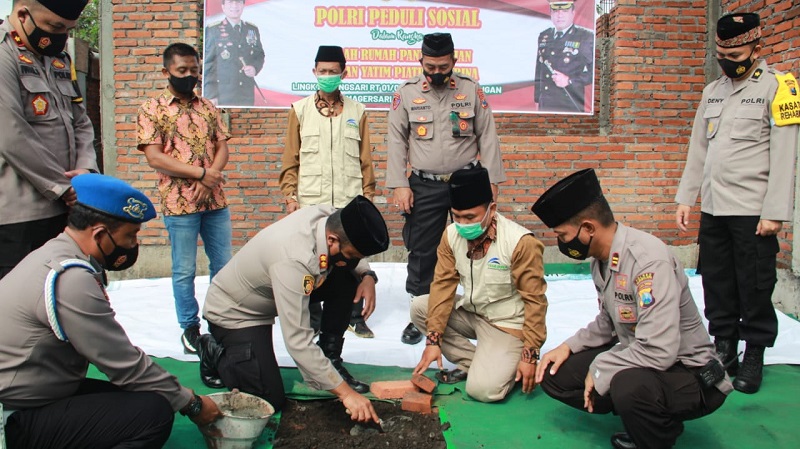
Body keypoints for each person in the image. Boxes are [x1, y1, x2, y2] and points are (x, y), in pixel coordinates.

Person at [0, 173, 221, 449]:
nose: (132, 246)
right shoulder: (70, 279)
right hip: (14, 416)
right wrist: (192, 403)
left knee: (145, 396)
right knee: (152, 415)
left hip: (37, 392)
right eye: (130, 236)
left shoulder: (54, 253)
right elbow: (123, 364)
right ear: (100, 234)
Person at [532, 169, 732, 449]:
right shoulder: (600, 258)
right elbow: (607, 322)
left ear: (588, 229)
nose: (562, 243)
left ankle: (657, 434)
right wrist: (568, 346)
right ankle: (646, 416)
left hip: (690, 372)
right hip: (643, 358)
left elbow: (659, 350)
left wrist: (601, 368)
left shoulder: (648, 262)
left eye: (563, 235)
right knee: (557, 375)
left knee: (627, 384)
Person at [674, 12, 799, 394]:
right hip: (714, 208)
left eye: (736, 52)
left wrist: (775, 212)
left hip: (753, 212)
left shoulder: (781, 87)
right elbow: (698, 149)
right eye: (721, 52)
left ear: (757, 47)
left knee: (755, 284)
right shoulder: (713, 91)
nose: (727, 59)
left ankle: (755, 353)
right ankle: (724, 346)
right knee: (716, 279)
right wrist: (686, 197)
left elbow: (785, 153)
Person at [198, 195, 389, 424]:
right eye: (352, 255)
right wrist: (347, 394)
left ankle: (330, 359)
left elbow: (350, 247)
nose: (353, 260)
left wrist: (367, 275)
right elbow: (297, 341)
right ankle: (212, 351)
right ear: (332, 241)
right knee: (268, 398)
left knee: (347, 276)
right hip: (237, 312)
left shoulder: (329, 217)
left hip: (276, 288)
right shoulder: (293, 259)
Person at [387, 32, 506, 345]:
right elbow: (396, 139)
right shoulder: (407, 93)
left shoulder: (471, 90)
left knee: (476, 246)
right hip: (423, 184)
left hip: (466, 181)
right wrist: (400, 184)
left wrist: (492, 181)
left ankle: (478, 310)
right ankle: (420, 314)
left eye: (443, 66)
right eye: (430, 66)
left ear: (454, 61)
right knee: (423, 251)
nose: (436, 72)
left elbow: (488, 135)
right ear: (421, 62)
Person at [411, 167, 547, 402]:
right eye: (457, 216)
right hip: (473, 313)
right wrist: (433, 340)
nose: (463, 224)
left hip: (506, 325)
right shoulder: (451, 235)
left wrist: (530, 356)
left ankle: (499, 368)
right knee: (420, 307)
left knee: (483, 391)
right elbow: (443, 286)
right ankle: (479, 363)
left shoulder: (520, 242)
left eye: (471, 217)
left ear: (491, 209)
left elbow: (535, 302)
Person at [137, 42, 232, 358]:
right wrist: (200, 174)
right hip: (179, 203)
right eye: (182, 71)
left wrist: (210, 175)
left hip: (215, 201)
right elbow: (154, 157)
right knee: (184, 269)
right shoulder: (153, 109)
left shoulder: (208, 106)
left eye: (194, 70)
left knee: (224, 266)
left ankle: (220, 321)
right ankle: (190, 329)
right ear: (166, 72)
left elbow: (222, 147)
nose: (189, 76)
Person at [279, 45, 378, 349]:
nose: (327, 76)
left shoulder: (357, 112)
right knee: (313, 264)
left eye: (333, 71)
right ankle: (312, 322)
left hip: (347, 202)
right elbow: (290, 159)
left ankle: (352, 313)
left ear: (343, 73)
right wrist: (290, 196)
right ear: (314, 72)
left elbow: (365, 163)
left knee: (348, 261)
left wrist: (368, 199)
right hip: (312, 204)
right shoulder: (300, 110)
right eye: (322, 71)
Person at [0, 0, 98, 280]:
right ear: (22, 14)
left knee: (64, 295)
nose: (61, 36)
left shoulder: (60, 58)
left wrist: (85, 173)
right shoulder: (4, 54)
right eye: (54, 27)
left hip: (67, 209)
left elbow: (81, 121)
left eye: (68, 29)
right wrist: (63, 187)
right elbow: (11, 134)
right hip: (21, 217)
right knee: (20, 308)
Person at [533, 0, 593, 113]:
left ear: (573, 13)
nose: (560, 15)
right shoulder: (544, 36)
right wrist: (537, 100)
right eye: (556, 11)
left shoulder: (585, 37)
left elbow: (594, 72)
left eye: (565, 11)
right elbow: (539, 70)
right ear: (551, 13)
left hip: (569, 104)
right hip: (545, 103)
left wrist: (569, 81)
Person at [203, 0, 265, 107]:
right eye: (230, 2)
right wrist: (210, 96)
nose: (234, 6)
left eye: (238, 2)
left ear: (243, 5)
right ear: (223, 6)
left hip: (246, 93)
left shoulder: (252, 29)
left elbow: (259, 55)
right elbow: (208, 64)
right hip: (223, 94)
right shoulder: (213, 30)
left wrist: (254, 68)